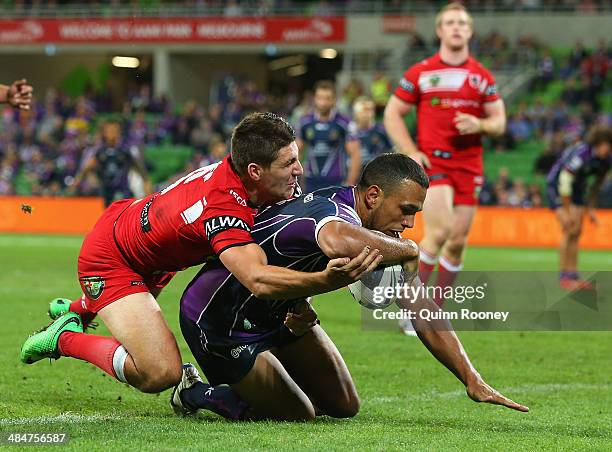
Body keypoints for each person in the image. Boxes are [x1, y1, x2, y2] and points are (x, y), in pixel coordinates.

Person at [20, 112, 380, 396]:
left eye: (296, 159)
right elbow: (256, 278)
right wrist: (323, 281)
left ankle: (79, 308)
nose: (299, 170)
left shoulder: (246, 176)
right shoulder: (224, 209)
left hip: (148, 243)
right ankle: (63, 338)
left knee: (140, 330)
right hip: (113, 257)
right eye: (288, 163)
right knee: (159, 372)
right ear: (255, 170)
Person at [170, 154, 528, 421]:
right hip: (217, 320)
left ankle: (270, 377)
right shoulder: (333, 213)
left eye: (416, 213)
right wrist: (411, 249)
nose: (409, 222)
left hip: (280, 311)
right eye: (405, 210)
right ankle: (197, 391)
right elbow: (338, 240)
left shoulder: (373, 234)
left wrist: (471, 379)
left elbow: (419, 303)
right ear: (373, 195)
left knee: (343, 406)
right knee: (300, 415)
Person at [384, 3, 506, 323]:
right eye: (449, 22)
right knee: (438, 233)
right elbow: (392, 113)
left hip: (469, 166)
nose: (456, 27)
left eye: (462, 23)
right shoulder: (421, 72)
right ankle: (412, 310)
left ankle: (433, 310)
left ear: (469, 30)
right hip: (434, 162)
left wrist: (480, 125)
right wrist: (410, 150)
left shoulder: (481, 77)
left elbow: (499, 122)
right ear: (439, 30)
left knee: (457, 242)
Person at [546, 125, 611, 290]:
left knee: (577, 231)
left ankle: (573, 275)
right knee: (569, 229)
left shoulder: (605, 160)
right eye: (605, 144)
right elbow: (565, 179)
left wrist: (591, 210)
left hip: (577, 188)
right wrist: (566, 211)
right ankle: (564, 277)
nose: (607, 148)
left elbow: (595, 185)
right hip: (557, 185)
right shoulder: (582, 154)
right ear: (597, 143)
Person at [296, 80, 361, 192]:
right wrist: (295, 181)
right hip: (311, 180)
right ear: (314, 99)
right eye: (320, 98)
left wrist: (350, 184)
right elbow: (296, 152)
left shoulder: (344, 123)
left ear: (334, 100)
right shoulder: (304, 122)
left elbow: (355, 154)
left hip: (336, 181)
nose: (323, 102)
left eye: (327, 98)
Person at [73, 120, 152, 207]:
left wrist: (147, 187)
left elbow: (142, 171)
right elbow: (87, 167)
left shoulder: (125, 151)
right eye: (109, 131)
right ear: (105, 133)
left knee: (121, 217)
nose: (111, 133)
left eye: (114, 130)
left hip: (123, 192)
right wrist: (77, 181)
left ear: (119, 133)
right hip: (106, 193)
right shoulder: (100, 152)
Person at [348, 96, 393, 169]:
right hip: (353, 174)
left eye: (370, 110)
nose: (366, 114)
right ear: (355, 112)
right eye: (363, 110)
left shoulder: (381, 129)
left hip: (375, 174)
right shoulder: (348, 131)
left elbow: (392, 150)